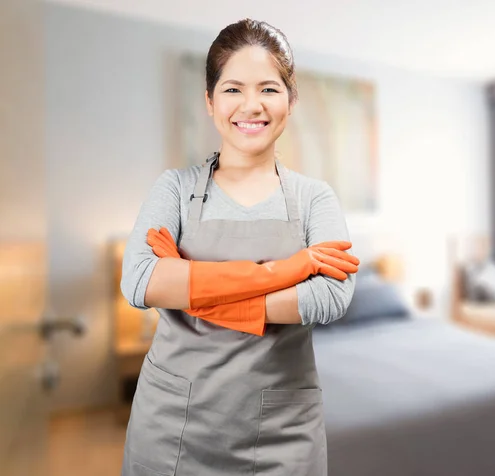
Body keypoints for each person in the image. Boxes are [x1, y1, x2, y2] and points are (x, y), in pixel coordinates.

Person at [120, 18, 359, 476]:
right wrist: (288, 270)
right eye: (233, 89)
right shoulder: (174, 190)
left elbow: (330, 297)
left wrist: (189, 287)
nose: (252, 106)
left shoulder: (315, 198)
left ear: (290, 101)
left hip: (283, 432)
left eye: (269, 89)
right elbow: (139, 281)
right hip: (172, 424)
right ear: (210, 102)